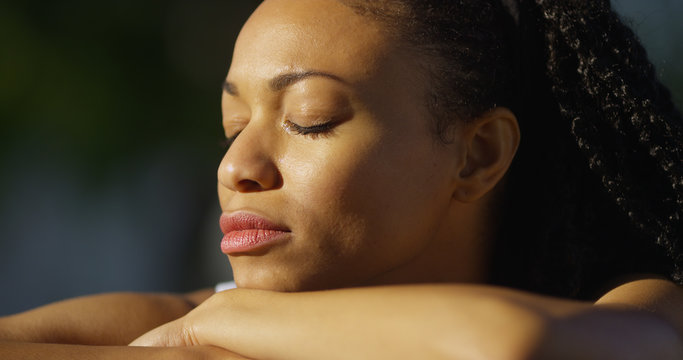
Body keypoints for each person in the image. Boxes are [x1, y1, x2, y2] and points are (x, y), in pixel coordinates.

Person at [2, 0, 682, 358]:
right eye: (233, 127)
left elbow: (512, 347)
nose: (235, 168)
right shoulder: (195, 318)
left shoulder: (642, 309)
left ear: (476, 155)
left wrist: (212, 338)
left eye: (309, 118)